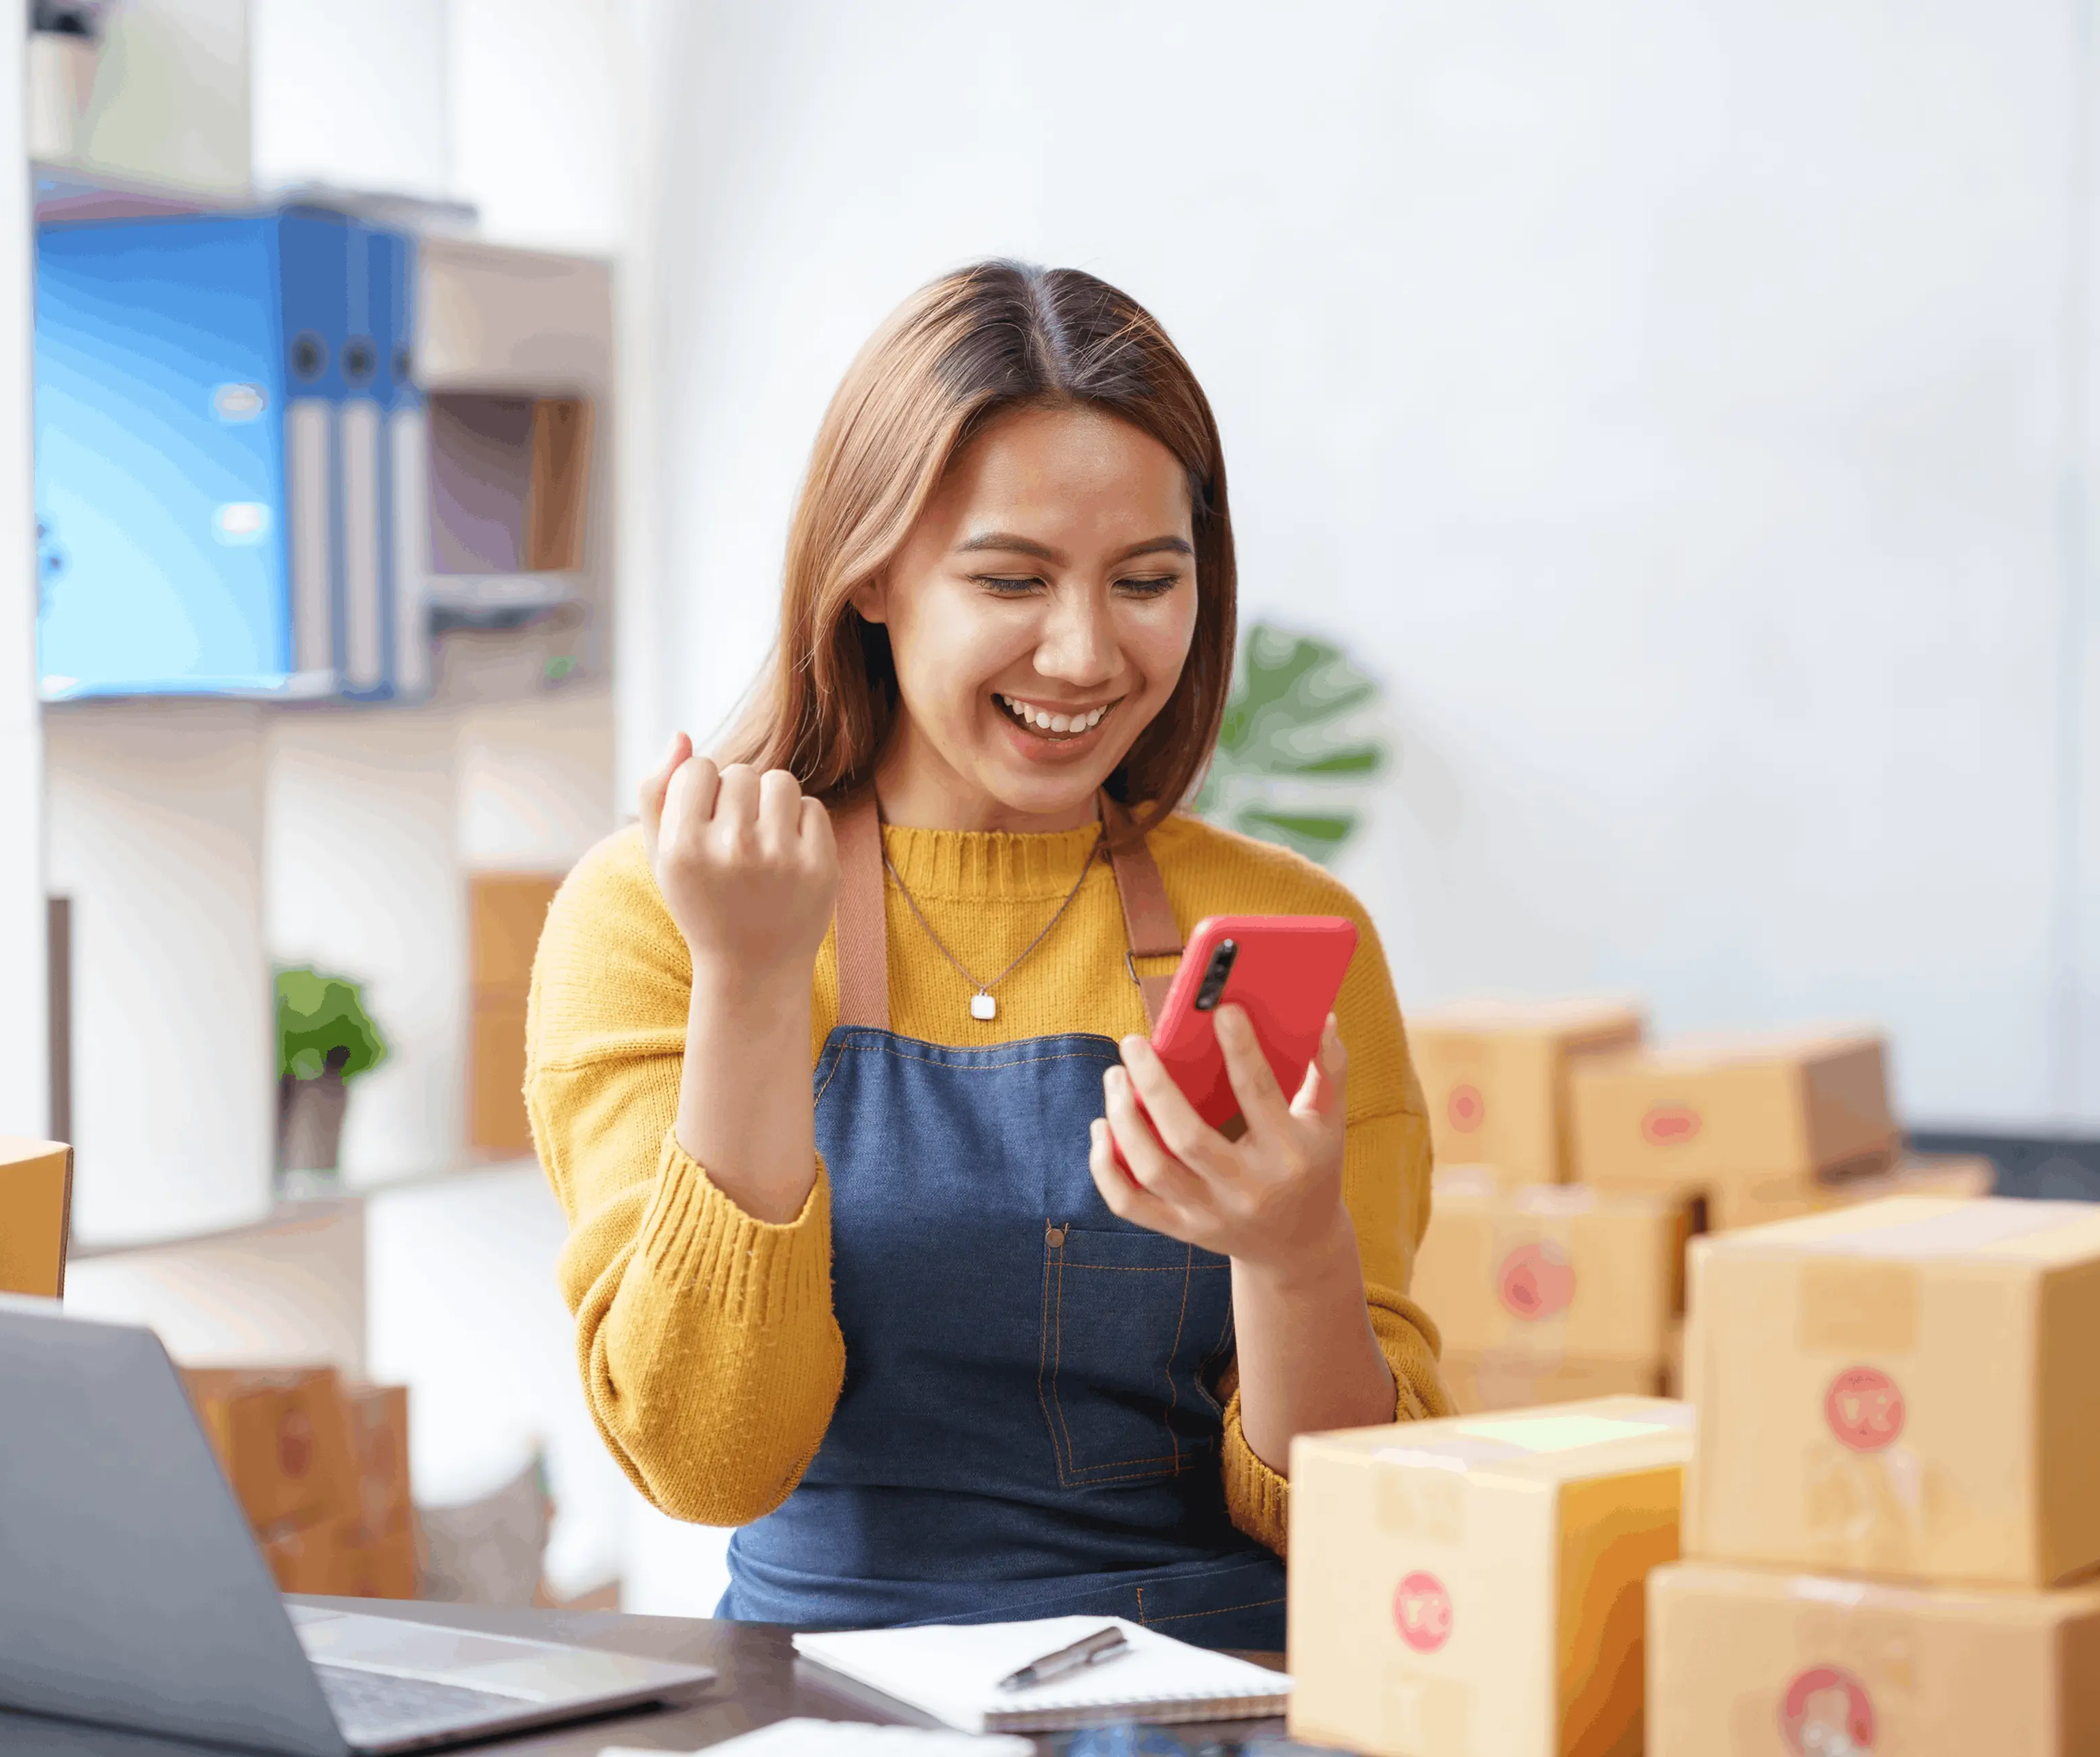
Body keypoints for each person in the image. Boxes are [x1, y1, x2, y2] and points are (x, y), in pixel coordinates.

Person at [529, 262, 1448, 1649]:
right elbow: (709, 1463)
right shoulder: (660, 912)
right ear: (872, 572)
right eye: (1011, 578)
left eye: (1148, 580)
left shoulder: (1275, 935)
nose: (1084, 654)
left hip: (1225, 1699)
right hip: (834, 1713)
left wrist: (1298, 1257)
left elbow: (1380, 1538)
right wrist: (756, 985)